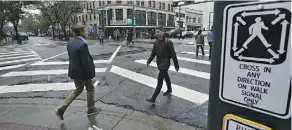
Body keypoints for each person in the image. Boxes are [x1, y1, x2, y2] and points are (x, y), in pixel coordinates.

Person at [54, 26, 101, 120]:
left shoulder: (70, 43)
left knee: (78, 88)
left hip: (73, 70)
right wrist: (90, 74)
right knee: (90, 88)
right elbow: (85, 61)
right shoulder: (82, 44)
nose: (86, 32)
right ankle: (91, 108)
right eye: (85, 30)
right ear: (81, 31)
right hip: (82, 72)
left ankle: (62, 108)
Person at [146, 26, 180, 103]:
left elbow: (173, 54)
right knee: (166, 77)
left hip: (165, 64)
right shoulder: (156, 42)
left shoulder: (168, 42)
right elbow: (153, 53)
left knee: (160, 81)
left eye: (158, 32)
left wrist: (176, 65)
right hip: (159, 63)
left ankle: (153, 98)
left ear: (163, 32)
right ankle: (169, 89)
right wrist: (149, 60)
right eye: (156, 32)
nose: (156, 33)